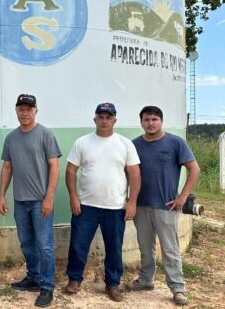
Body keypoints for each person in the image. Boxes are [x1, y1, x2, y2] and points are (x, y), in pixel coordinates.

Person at [64, 102, 141, 302]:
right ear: (95, 119)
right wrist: (74, 197)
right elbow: (71, 170)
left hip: (115, 207)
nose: (104, 120)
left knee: (114, 247)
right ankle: (74, 279)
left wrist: (131, 202)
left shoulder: (125, 144)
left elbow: (135, 174)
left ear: (114, 120)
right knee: (78, 245)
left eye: (108, 117)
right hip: (86, 206)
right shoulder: (82, 142)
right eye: (101, 116)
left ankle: (112, 284)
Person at [128, 105, 200, 306]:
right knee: (145, 246)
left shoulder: (175, 143)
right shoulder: (134, 145)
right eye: (146, 120)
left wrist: (183, 196)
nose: (150, 123)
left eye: (154, 119)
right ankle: (146, 280)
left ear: (161, 121)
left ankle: (178, 288)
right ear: (141, 122)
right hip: (141, 205)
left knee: (170, 249)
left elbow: (194, 169)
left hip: (166, 205)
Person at [0, 94, 62, 308]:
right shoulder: (11, 138)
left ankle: (47, 286)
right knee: (26, 242)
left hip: (40, 201)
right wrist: (2, 196)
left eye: (29, 109)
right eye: (21, 109)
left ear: (36, 111)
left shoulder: (45, 134)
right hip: (20, 201)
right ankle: (33, 277)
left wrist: (49, 197)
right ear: (16, 111)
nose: (24, 113)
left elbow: (54, 166)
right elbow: (7, 167)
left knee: (45, 245)